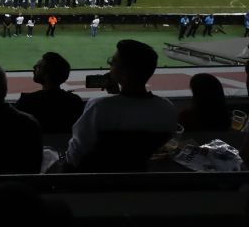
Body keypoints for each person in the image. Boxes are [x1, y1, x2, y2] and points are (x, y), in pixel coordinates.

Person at [61, 40, 178, 171]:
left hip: (97, 181)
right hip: (140, 177)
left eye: (113, 61)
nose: (109, 64)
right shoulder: (167, 108)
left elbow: (75, 155)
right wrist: (116, 93)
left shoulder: (99, 107)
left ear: (125, 72)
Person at [14, 52, 84, 134]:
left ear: (47, 75)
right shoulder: (75, 101)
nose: (34, 68)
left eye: (38, 67)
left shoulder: (26, 101)